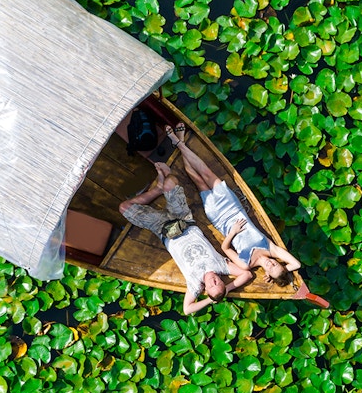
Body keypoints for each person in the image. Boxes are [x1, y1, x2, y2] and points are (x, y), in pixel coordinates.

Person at [167, 126, 301, 285]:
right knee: (207, 173)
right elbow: (296, 264)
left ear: (267, 274)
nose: (271, 264)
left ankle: (180, 141)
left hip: (219, 219)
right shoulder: (271, 249)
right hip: (233, 207)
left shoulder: (246, 264)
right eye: (276, 265)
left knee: (197, 180)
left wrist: (233, 232)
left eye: (271, 269)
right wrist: (283, 271)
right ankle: (179, 142)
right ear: (280, 263)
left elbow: (226, 249)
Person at [119, 162, 253, 314]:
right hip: (184, 220)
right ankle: (163, 186)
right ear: (222, 281)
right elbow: (247, 274)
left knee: (124, 208)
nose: (214, 281)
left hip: (162, 229)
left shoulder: (195, 284)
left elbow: (187, 309)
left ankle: (157, 189)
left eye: (212, 286)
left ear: (206, 289)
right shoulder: (221, 266)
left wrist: (211, 299)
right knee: (170, 182)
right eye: (218, 283)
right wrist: (226, 290)